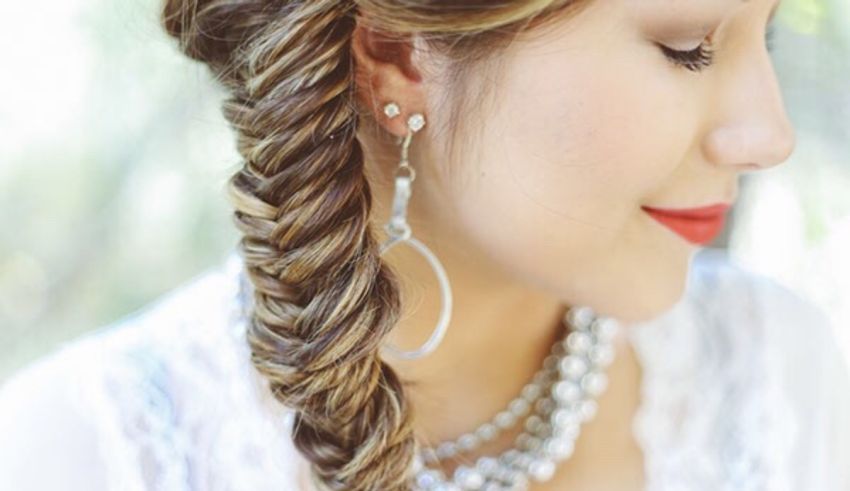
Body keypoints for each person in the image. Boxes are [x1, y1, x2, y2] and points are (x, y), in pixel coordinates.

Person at [1, 0, 849, 489]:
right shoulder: (76, 455)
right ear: (397, 55)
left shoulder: (778, 381)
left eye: (767, 33)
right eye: (688, 50)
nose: (769, 134)